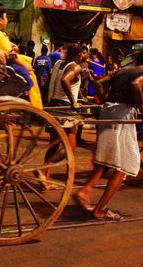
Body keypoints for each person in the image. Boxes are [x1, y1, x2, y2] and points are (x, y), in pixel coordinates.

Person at [75, 49, 143, 220]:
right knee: (125, 164)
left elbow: (98, 83)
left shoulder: (122, 70)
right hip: (123, 115)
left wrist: (106, 100)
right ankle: (101, 208)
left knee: (106, 157)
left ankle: (84, 191)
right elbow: (136, 84)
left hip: (108, 111)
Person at [43, 43, 88, 184]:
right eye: (86, 53)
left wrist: (80, 97)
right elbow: (65, 80)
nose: (87, 56)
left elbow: (62, 82)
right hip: (65, 108)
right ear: (80, 54)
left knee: (54, 144)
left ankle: (44, 178)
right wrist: (73, 101)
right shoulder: (76, 66)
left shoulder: (58, 64)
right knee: (70, 146)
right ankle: (42, 169)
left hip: (53, 104)